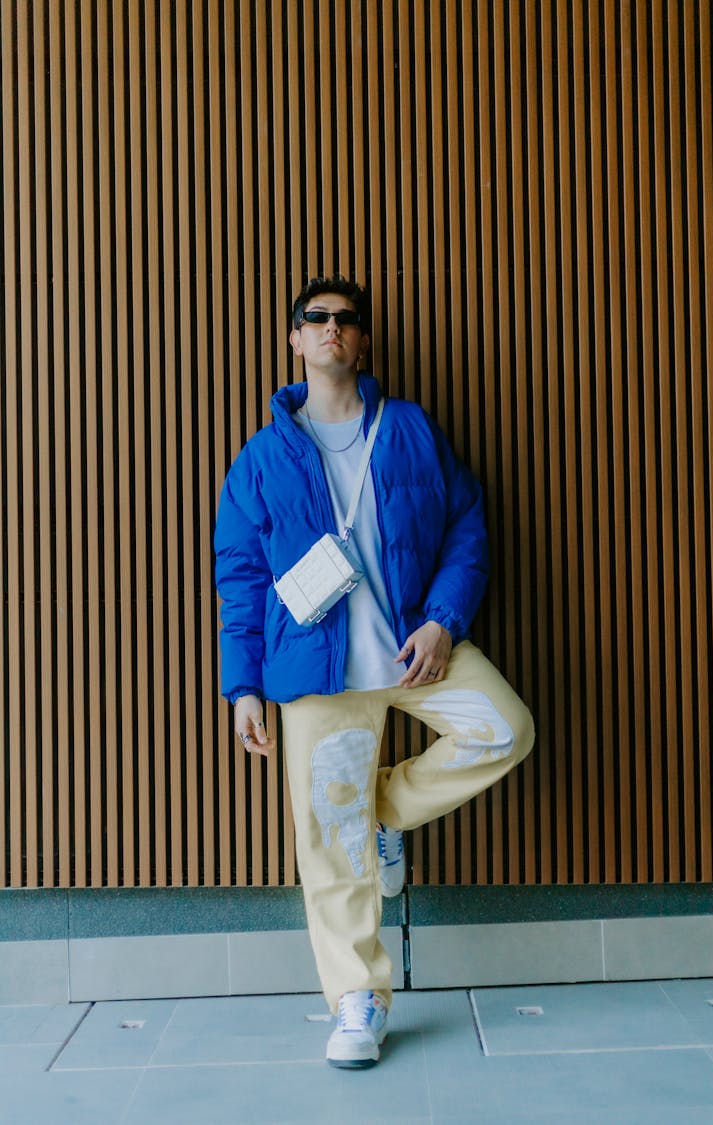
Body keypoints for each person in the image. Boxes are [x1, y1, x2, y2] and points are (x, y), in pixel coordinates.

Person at [214, 275, 534, 1069]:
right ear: (295, 340)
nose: (331, 329)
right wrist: (243, 685)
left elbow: (467, 522)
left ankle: (382, 813)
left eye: (345, 320)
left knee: (506, 730)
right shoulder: (260, 461)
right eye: (315, 319)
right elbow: (241, 575)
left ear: (363, 341)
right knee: (327, 840)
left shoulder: (413, 430)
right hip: (314, 671)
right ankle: (358, 998)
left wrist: (442, 621)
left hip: (413, 653)